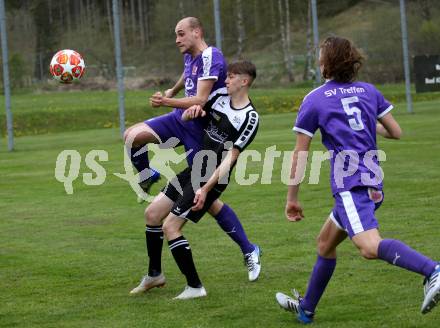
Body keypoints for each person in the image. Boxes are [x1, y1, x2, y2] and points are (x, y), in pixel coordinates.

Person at [275, 36, 440, 324]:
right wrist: (364, 123)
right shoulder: (368, 91)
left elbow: (299, 156)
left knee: (368, 247)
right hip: (372, 178)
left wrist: (292, 199)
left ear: (326, 63)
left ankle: (433, 271)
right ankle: (306, 309)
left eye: (320, 56)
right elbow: (395, 132)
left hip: (350, 184)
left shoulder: (314, 99)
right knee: (325, 243)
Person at [127, 18, 261, 295]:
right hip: (189, 140)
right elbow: (195, 92)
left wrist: (169, 101)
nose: (176, 39)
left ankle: (207, 278)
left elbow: (203, 102)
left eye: (180, 34)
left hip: (204, 155)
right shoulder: (203, 76)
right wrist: (181, 100)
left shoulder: (246, 112)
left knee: (186, 216)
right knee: (133, 142)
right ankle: (154, 273)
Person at [161, 60, 260, 299]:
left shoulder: (250, 117)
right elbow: (195, 116)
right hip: (195, 167)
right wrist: (191, 113)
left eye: (231, 76)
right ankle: (250, 249)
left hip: (212, 177)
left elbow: (230, 160)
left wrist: (205, 189)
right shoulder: (218, 98)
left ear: (244, 81)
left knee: (170, 226)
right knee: (154, 213)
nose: (226, 80)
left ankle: (195, 287)